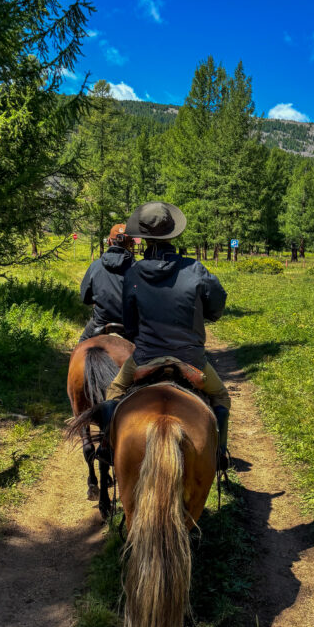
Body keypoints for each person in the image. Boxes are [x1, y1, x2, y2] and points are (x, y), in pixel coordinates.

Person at [102, 201, 232, 470]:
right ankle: (219, 455)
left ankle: (108, 449)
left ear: (143, 237)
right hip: (191, 359)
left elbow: (130, 322)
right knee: (220, 396)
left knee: (113, 392)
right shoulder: (195, 270)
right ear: (174, 233)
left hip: (146, 357)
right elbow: (217, 305)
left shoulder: (134, 272)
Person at [78, 224, 134, 341]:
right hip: (130, 326)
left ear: (109, 241)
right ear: (130, 244)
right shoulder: (138, 268)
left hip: (100, 323)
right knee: (149, 355)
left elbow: (85, 298)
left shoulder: (95, 266)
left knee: (81, 345)